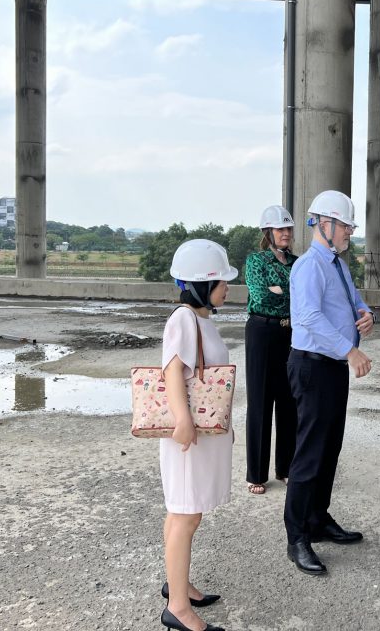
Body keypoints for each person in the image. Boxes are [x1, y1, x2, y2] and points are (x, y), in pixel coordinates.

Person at [284, 190, 375, 576]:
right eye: (347, 227)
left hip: (331, 367)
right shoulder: (309, 266)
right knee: (309, 454)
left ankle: (318, 520)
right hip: (313, 365)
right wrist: (349, 350)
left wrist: (366, 313)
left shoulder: (336, 264)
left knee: (328, 450)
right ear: (326, 224)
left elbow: (353, 298)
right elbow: (308, 318)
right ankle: (297, 537)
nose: (349, 234)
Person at [159, 239, 237, 631]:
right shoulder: (183, 319)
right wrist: (183, 419)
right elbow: (173, 370)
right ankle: (178, 608)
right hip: (189, 435)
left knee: (184, 511)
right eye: (221, 281)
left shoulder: (200, 319)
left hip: (197, 434)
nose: (227, 288)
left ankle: (179, 583)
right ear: (200, 284)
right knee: (186, 514)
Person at [244, 204, 298, 496]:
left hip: (291, 331)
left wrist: (282, 290)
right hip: (262, 331)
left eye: (288, 228)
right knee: (261, 401)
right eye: (280, 229)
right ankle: (257, 474)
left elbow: (300, 297)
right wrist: (283, 293)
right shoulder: (256, 261)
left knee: (289, 400)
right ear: (269, 232)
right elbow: (261, 295)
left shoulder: (297, 262)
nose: (286, 233)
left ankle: (286, 467)